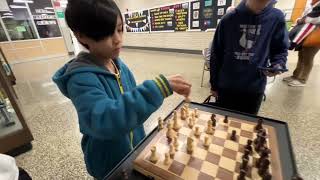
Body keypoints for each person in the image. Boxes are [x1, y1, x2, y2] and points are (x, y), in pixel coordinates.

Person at [52, 0, 191, 179]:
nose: (117, 39)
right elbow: (105, 119)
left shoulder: (119, 65)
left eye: (119, 29)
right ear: (81, 36)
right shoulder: (80, 79)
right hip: (109, 164)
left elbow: (130, 102)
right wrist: (157, 88)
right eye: (105, 33)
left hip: (133, 152)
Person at [210, 0, 289, 115]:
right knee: (224, 124)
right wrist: (214, 84)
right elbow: (216, 54)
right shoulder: (228, 19)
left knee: (248, 125)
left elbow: (280, 48)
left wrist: (278, 64)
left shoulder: (276, 18)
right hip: (227, 87)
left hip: (254, 88)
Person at [283, 0, 320, 87]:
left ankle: (302, 79)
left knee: (308, 57)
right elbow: (307, 15)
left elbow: (315, 18)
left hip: (315, 35)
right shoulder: (313, 4)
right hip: (306, 33)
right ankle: (295, 76)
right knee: (302, 55)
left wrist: (304, 20)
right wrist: (302, 19)